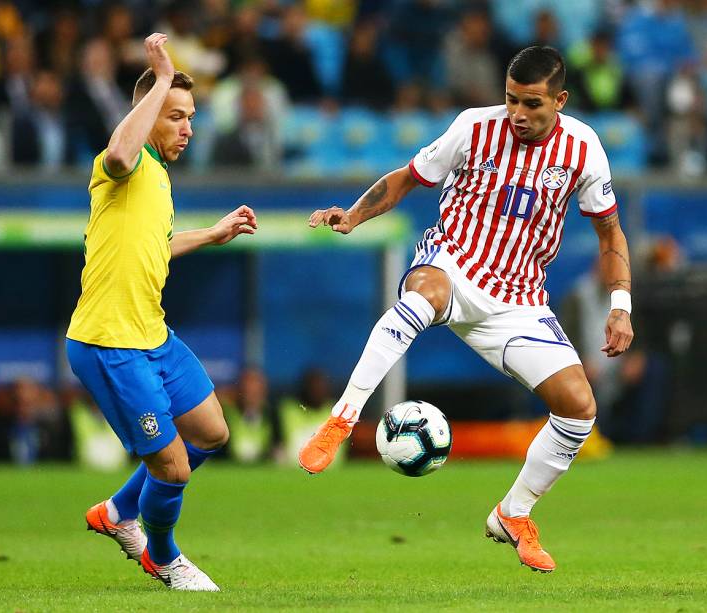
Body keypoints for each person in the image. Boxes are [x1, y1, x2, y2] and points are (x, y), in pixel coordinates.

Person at [299, 46, 634, 573]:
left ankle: (512, 514)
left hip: (519, 302)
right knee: (422, 296)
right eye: (510, 101)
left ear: (561, 101)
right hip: (453, 263)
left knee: (578, 407)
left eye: (532, 104)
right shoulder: (473, 128)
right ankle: (342, 419)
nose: (518, 115)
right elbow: (408, 177)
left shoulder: (584, 149)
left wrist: (620, 306)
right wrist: (355, 215)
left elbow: (610, 232)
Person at [65, 34, 257, 592]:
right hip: (109, 342)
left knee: (211, 431)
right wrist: (163, 77)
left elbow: (155, 244)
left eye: (191, 117)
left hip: (152, 333)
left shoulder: (160, 179)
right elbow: (123, 151)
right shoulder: (117, 165)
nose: (188, 128)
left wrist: (211, 234)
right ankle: (165, 557)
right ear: (145, 113)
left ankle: (118, 511)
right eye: (176, 115)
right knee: (172, 467)